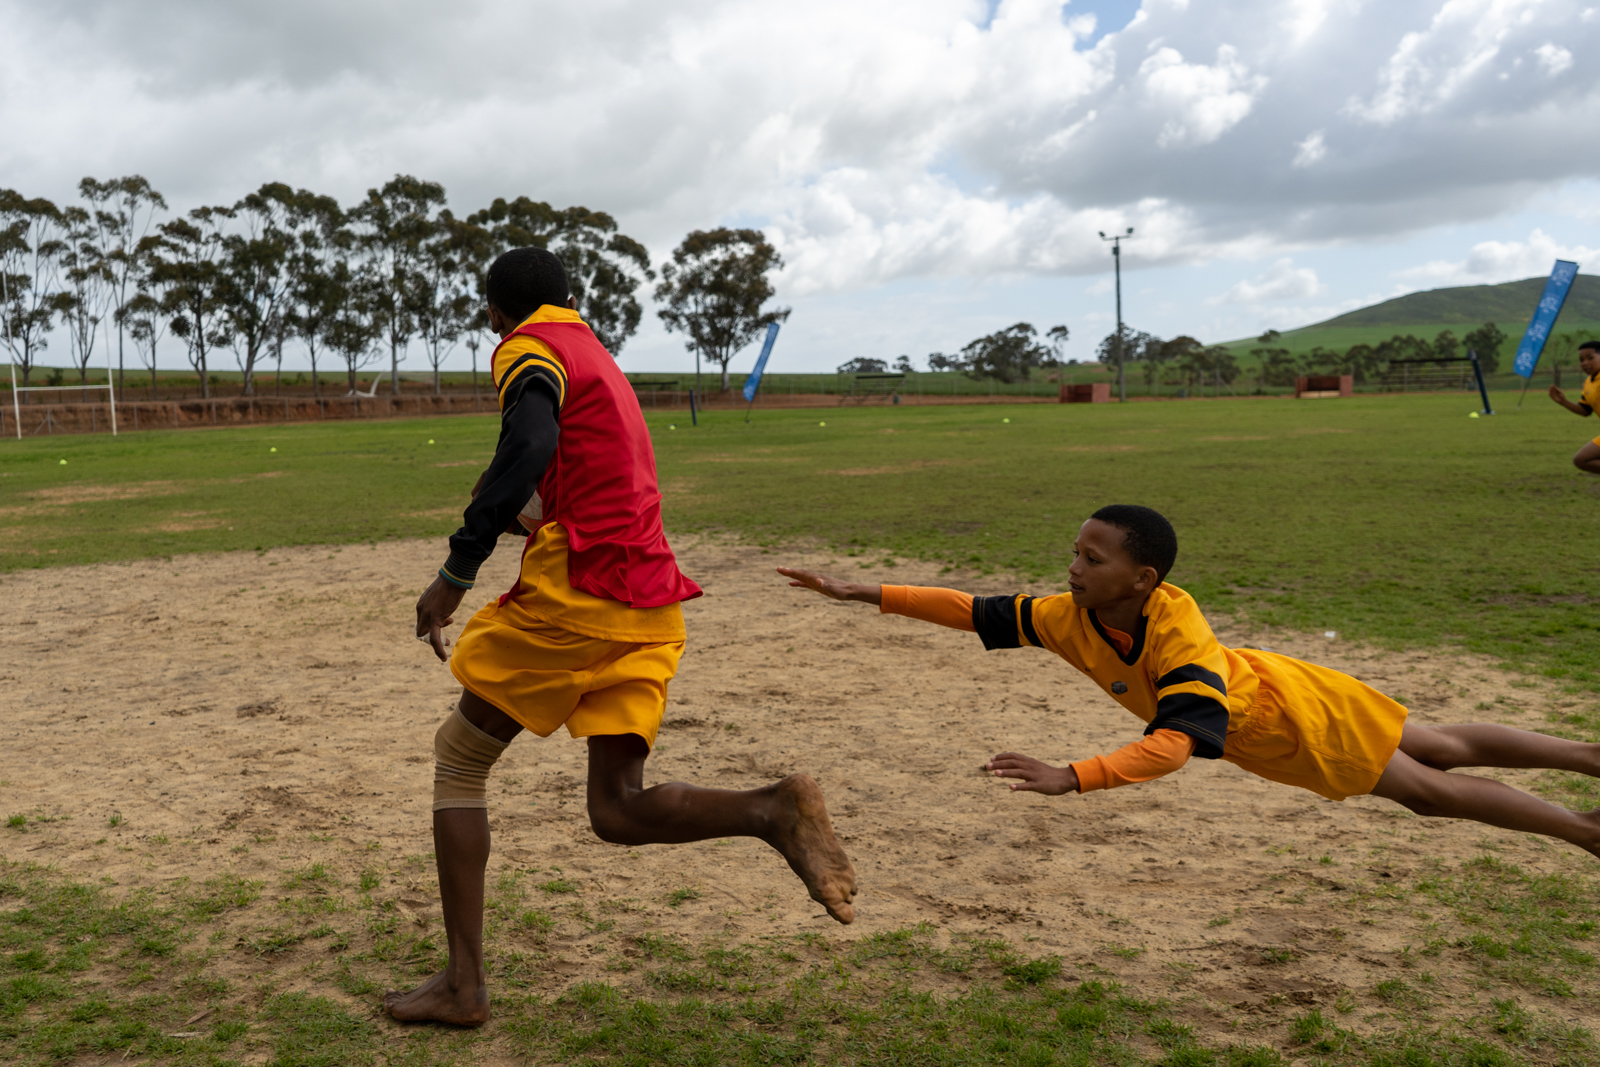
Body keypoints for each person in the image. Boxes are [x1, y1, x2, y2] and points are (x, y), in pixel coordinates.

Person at [389, 247, 856, 1028]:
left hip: (581, 592)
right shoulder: (595, 353)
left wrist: (457, 570)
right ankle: (771, 810)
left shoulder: (526, 347)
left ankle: (464, 986)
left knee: (461, 758)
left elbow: (530, 444)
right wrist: (517, 508)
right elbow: (572, 469)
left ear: (494, 312)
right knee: (615, 807)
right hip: (650, 599)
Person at [780, 504, 1600, 858]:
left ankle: (1584, 830)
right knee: (1444, 743)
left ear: (1144, 578)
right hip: (1285, 683)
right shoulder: (1073, 614)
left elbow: (1176, 743)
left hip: (1282, 720)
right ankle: (1591, 757)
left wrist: (1075, 776)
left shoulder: (1179, 635)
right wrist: (867, 592)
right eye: (1076, 551)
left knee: (1430, 787)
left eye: (1092, 560)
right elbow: (979, 610)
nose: (1073, 568)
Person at [1547, 340, 1600, 475]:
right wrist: (1563, 401)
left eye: (1590, 358)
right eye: (1581, 360)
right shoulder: (1589, 382)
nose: (1585, 363)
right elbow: (1585, 410)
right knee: (1581, 459)